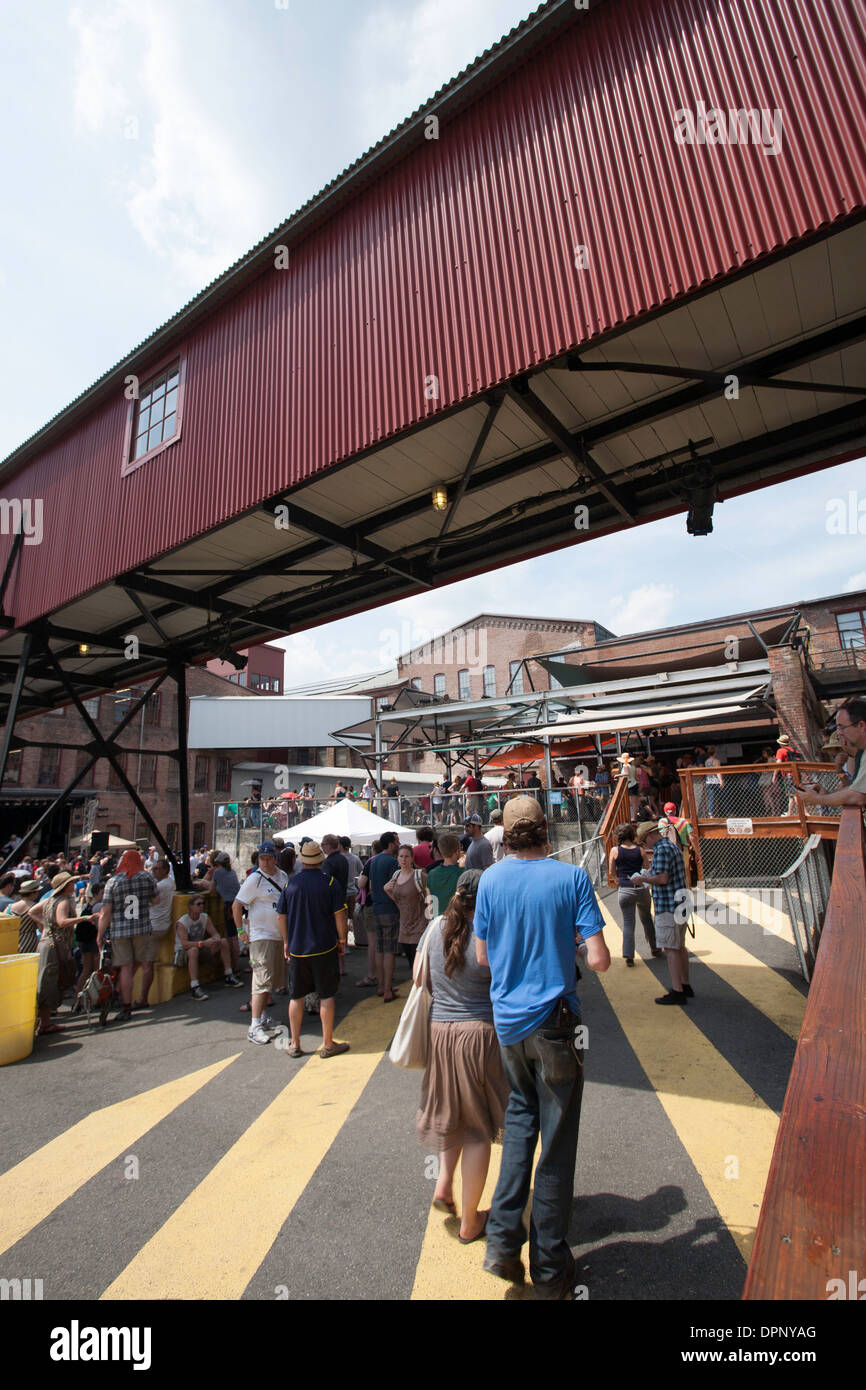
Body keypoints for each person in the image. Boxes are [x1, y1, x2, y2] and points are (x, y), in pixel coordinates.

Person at [474, 795, 610, 1297]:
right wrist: (567, 941)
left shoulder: (490, 880)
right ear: (545, 830)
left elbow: (484, 957)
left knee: (518, 1122)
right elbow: (599, 961)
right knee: (556, 1142)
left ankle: (502, 1243)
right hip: (557, 1020)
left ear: (505, 835)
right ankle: (550, 1269)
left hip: (508, 1022)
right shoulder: (570, 877)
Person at [415, 869, 510, 1244]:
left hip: (440, 1032)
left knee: (452, 1113)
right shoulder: (491, 933)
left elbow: (421, 979)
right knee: (477, 1130)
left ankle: (443, 1185)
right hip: (479, 1035)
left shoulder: (436, 927)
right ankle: (471, 1222)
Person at [277, 840, 350, 1058]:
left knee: (296, 996)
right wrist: (343, 940)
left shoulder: (291, 884)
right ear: (320, 859)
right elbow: (339, 915)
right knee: (326, 995)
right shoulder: (330, 883)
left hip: (298, 947)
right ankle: (328, 1043)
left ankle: (294, 1043)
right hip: (324, 946)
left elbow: (281, 916)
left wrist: (286, 941)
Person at [233, 841, 289, 1045]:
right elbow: (237, 906)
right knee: (261, 978)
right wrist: (241, 931)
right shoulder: (254, 879)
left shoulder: (282, 876)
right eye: (261, 859)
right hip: (260, 935)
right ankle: (254, 1025)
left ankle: (262, 1016)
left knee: (270, 980)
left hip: (276, 935)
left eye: (268, 858)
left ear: (275, 858)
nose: (265, 862)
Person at [632, 821, 691, 1006]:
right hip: (680, 902)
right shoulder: (671, 846)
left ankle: (677, 990)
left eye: (643, 842)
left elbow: (662, 878)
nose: (645, 846)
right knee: (680, 946)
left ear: (649, 836)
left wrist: (643, 878)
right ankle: (685, 984)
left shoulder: (661, 850)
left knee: (671, 949)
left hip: (668, 905)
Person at [97, 850, 158, 1025]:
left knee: (125, 967)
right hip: (141, 928)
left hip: (120, 930)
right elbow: (156, 901)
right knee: (143, 963)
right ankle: (134, 996)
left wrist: (100, 934)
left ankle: (125, 1005)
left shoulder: (113, 882)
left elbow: (106, 912)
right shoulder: (147, 878)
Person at [37, 872, 91, 1035]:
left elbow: (32, 911)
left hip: (46, 942)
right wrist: (84, 919)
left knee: (45, 981)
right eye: (71, 883)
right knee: (51, 981)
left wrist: (44, 927)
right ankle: (45, 1023)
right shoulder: (63, 902)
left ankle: (44, 1021)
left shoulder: (49, 900)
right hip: (56, 946)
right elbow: (61, 922)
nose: (73, 885)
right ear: (65, 886)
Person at [356, 829, 401, 1002]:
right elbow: (392, 887)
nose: (397, 844)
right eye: (396, 841)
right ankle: (387, 988)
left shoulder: (373, 861)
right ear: (391, 844)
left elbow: (369, 885)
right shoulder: (392, 862)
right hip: (389, 909)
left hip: (375, 907)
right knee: (389, 951)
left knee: (380, 949)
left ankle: (382, 985)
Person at [798, 698, 866, 809]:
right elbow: (855, 788)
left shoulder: (860, 755)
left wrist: (817, 799)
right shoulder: (863, 754)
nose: (839, 733)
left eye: (842, 727)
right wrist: (828, 794)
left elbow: (859, 795)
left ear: (861, 726)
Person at [608, 824, 660, 965]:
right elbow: (647, 869)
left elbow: (612, 872)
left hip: (625, 889)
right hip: (641, 888)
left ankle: (629, 955)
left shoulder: (614, 850)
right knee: (647, 918)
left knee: (628, 923)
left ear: (618, 836)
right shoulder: (641, 850)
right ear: (632, 835)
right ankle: (654, 947)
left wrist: (618, 881)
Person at [175, 895, 244, 1000]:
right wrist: (202, 943)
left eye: (203, 904)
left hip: (201, 948)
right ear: (190, 906)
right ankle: (195, 987)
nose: (201, 906)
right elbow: (184, 944)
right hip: (183, 954)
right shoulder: (182, 922)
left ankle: (229, 975)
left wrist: (215, 939)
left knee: (223, 942)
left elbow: (215, 933)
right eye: (198, 904)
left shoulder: (204, 917)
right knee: (193, 950)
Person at [384, 844, 427, 970]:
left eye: (407, 856)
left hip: (420, 926)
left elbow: (431, 898)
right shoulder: (396, 876)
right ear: (397, 858)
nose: (404, 859)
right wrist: (386, 890)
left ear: (412, 859)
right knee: (411, 964)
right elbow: (399, 901)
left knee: (419, 965)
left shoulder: (420, 877)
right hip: (404, 927)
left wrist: (431, 920)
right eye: (401, 856)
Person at [425, 832, 463, 920]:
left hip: (437, 921)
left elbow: (430, 902)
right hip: (456, 921)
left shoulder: (431, 874)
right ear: (457, 851)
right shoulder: (463, 873)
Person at [3, 878, 44, 952]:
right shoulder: (35, 908)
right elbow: (41, 928)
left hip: (12, 941)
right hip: (29, 942)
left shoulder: (10, 907)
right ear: (33, 893)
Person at [704, 746, 725, 817]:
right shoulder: (716, 761)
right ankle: (723, 812)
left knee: (711, 798)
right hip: (716, 782)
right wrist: (721, 780)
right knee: (721, 798)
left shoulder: (706, 761)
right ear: (715, 753)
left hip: (708, 781)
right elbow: (718, 771)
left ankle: (711, 814)